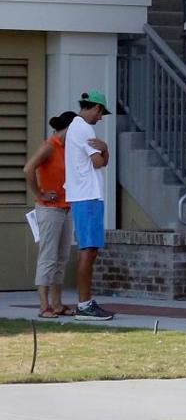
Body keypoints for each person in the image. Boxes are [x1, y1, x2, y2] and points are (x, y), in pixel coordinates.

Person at [63, 92, 114, 321]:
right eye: (101, 113)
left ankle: (85, 303)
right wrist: (104, 148)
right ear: (96, 108)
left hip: (80, 195)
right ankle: (84, 305)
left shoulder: (74, 126)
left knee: (87, 249)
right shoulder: (84, 128)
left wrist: (103, 151)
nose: (100, 118)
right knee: (89, 250)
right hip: (88, 196)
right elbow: (98, 162)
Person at [23, 112, 76, 318]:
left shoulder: (67, 149)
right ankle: (44, 305)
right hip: (49, 209)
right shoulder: (50, 146)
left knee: (62, 257)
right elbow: (28, 169)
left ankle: (57, 303)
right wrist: (40, 193)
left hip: (65, 208)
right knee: (48, 257)